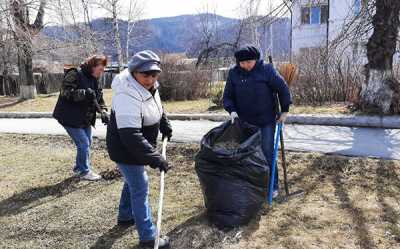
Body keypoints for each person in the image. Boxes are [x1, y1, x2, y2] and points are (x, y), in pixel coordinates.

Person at [106, 50, 173, 249]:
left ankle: (125, 216)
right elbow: (130, 136)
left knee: (132, 182)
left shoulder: (151, 87)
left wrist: (164, 123)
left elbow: (156, 108)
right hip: (125, 148)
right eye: (145, 75)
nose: (150, 79)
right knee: (140, 186)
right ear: (134, 72)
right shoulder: (126, 94)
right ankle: (148, 237)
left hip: (137, 147)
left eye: (154, 75)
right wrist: (156, 158)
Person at [223, 46, 292, 198]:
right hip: (245, 123)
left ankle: (271, 186)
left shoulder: (266, 70)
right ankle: (253, 185)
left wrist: (285, 110)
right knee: (248, 155)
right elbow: (227, 96)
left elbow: (283, 88)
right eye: (242, 63)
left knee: (267, 153)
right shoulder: (234, 73)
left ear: (255, 59)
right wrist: (232, 110)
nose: (246, 65)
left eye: (249, 62)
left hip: (266, 121)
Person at [53, 55, 110, 181]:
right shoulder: (75, 73)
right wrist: (83, 93)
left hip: (84, 118)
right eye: (100, 69)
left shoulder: (95, 79)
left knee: (87, 142)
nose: (102, 72)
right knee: (83, 143)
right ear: (93, 66)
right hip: (69, 116)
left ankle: (79, 168)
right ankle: (84, 171)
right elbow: (65, 92)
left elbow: (98, 97)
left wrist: (104, 112)